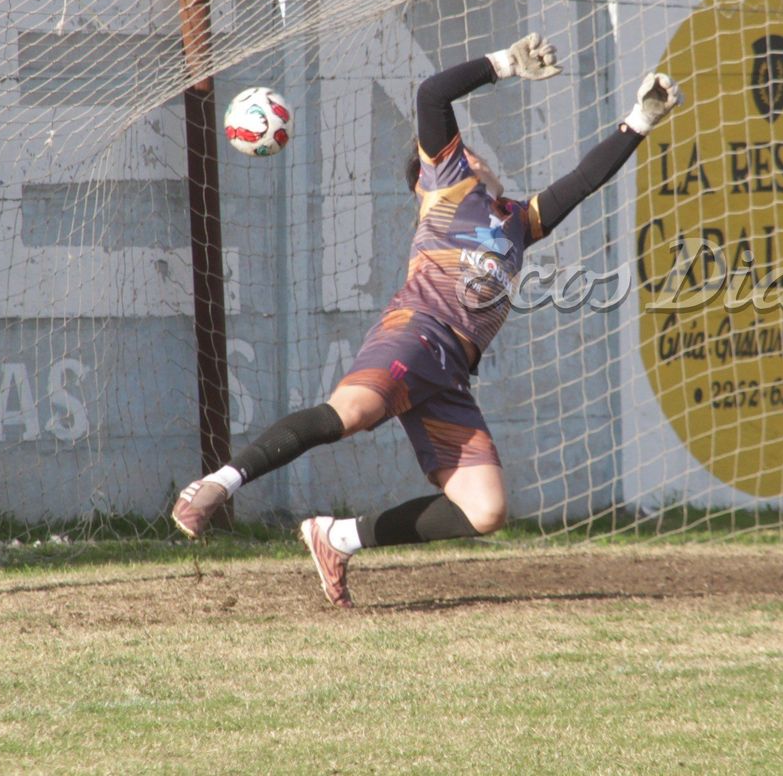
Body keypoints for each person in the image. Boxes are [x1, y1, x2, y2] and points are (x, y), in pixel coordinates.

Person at [172, 32, 682, 608]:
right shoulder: (446, 185)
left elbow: (585, 181)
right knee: (354, 412)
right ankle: (218, 483)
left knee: (485, 510)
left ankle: (338, 537)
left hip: (452, 371)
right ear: (424, 173)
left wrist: (639, 119)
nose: (473, 154)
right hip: (417, 330)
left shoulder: (519, 220)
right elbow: (432, 94)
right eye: (449, 154)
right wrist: (503, 65)